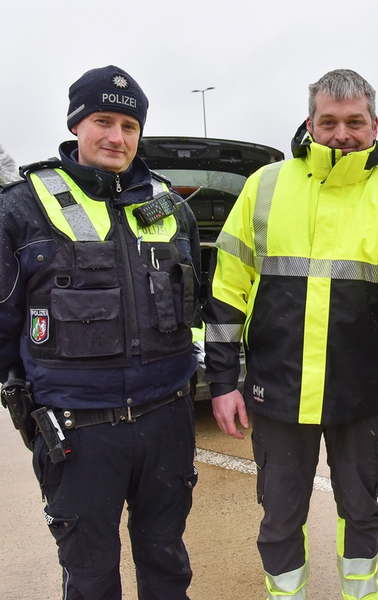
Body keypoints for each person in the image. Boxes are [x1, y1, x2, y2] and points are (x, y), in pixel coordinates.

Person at [202, 68, 378, 600]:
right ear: (310, 122)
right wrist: (221, 382)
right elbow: (226, 291)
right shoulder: (264, 186)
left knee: (361, 509)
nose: (342, 134)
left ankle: (362, 594)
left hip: (358, 394)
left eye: (355, 122)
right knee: (281, 515)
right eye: (329, 121)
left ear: (374, 125)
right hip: (278, 392)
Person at [0, 65, 201, 599]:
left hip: (168, 424)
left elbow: (194, 303)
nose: (117, 137)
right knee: (89, 579)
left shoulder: (172, 206)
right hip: (78, 434)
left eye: (130, 126)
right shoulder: (21, 208)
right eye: (102, 121)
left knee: (168, 566)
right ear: (76, 125)